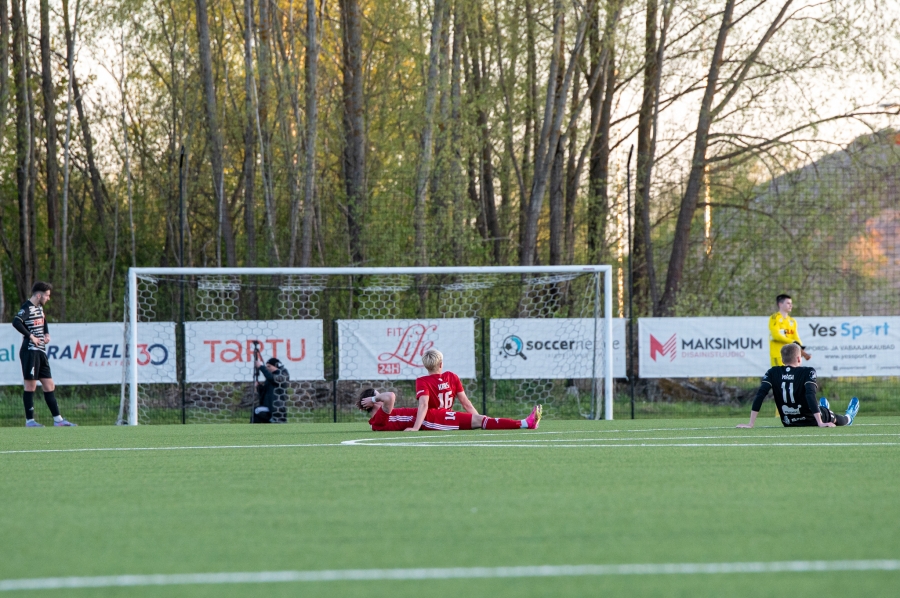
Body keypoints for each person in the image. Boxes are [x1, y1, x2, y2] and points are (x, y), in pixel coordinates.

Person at [408, 348, 536, 431]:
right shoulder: (451, 376)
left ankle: (525, 423)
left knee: (482, 420)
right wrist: (416, 428)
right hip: (437, 419)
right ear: (441, 364)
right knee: (482, 420)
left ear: (426, 366)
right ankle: (525, 423)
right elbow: (466, 403)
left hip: (445, 417)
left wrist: (477, 419)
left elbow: (424, 404)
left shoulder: (423, 380)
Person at [737, 343, 859, 429]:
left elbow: (760, 395)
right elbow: (810, 394)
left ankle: (822, 408)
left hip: (789, 422)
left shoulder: (772, 372)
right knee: (839, 419)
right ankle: (849, 417)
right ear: (799, 359)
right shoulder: (808, 371)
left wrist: (750, 424)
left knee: (822, 410)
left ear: (783, 360)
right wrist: (820, 423)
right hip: (811, 420)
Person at [11, 282, 76, 427]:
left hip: (40, 351)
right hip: (30, 352)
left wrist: (46, 333)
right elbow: (16, 322)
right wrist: (31, 336)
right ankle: (30, 421)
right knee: (30, 386)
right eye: (47, 295)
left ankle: (58, 420)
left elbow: (43, 320)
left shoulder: (39, 308)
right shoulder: (27, 307)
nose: (48, 298)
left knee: (49, 384)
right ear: (39, 295)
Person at [357, 388, 542, 432]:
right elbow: (390, 396)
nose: (379, 397)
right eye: (376, 397)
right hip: (430, 420)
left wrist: (374, 398)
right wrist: (374, 398)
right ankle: (526, 423)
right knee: (479, 420)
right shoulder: (378, 420)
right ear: (371, 404)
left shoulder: (380, 418)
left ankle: (526, 423)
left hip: (431, 416)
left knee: (479, 419)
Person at [769, 294, 811, 366]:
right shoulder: (774, 318)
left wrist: (800, 347)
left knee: (791, 376)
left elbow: (796, 337)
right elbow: (775, 335)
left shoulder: (792, 321)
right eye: (788, 303)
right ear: (780, 304)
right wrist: (792, 342)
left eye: (791, 303)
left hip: (791, 357)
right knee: (779, 376)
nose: (791, 305)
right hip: (778, 355)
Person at [251, 357, 289, 423]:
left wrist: (261, 367)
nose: (267, 368)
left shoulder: (283, 375)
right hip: (269, 407)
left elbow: (272, 378)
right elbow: (264, 394)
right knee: (257, 411)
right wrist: (259, 387)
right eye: (266, 366)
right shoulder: (271, 378)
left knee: (257, 410)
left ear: (275, 366)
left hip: (277, 408)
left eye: (269, 366)